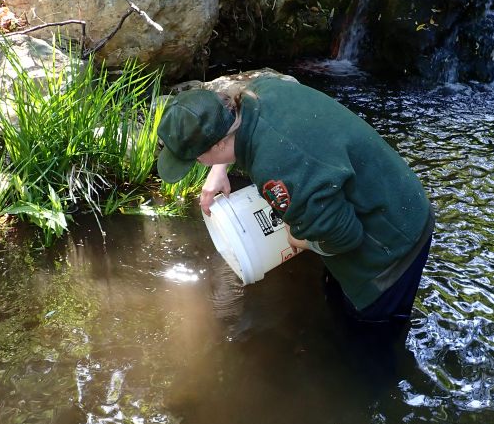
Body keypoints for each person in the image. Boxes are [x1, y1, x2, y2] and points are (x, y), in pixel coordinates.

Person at [157, 75, 434, 323]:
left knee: (367, 335)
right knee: (331, 292)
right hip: (389, 185)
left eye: (197, 158)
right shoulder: (256, 92)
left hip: (393, 244)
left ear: (217, 144)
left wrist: (296, 238)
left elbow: (344, 237)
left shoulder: (277, 168)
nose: (198, 163)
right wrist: (219, 169)